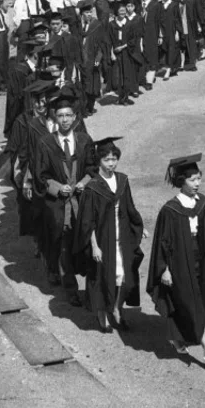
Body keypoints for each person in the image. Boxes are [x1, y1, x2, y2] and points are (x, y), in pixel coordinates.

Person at [146, 154, 205, 371]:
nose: (197, 184)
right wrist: (164, 269)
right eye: (192, 180)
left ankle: (178, 338)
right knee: (192, 306)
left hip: (199, 260)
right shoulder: (170, 209)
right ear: (181, 181)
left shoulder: (203, 203)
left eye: (199, 179)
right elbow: (162, 242)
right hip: (178, 263)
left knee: (195, 303)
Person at [73, 137, 145, 332]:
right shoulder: (93, 187)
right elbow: (88, 222)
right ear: (99, 162)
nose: (111, 164)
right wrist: (94, 246)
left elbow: (129, 207)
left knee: (124, 277)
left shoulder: (122, 180)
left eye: (114, 159)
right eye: (106, 160)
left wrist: (138, 225)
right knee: (102, 277)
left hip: (122, 236)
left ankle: (116, 309)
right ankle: (102, 314)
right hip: (103, 239)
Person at [33, 93, 95, 307]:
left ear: (76, 117)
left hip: (83, 203)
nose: (65, 119)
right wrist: (58, 188)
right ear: (54, 118)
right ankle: (71, 289)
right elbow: (40, 176)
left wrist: (84, 183)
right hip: (59, 206)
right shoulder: (45, 143)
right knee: (64, 247)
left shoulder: (85, 141)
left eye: (69, 115)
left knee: (88, 247)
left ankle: (91, 290)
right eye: (60, 115)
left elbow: (93, 168)